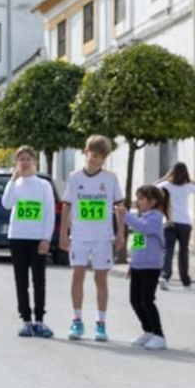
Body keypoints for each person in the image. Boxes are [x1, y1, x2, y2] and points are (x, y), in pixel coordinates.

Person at [60, 135, 125, 342]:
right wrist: (63, 234)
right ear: (86, 152)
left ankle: (101, 323)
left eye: (101, 157)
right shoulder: (74, 177)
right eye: (94, 155)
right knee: (77, 276)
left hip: (103, 238)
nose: (96, 160)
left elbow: (119, 207)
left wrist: (121, 233)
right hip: (79, 236)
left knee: (101, 279)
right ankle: (77, 320)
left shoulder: (110, 178)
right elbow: (67, 206)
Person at [2, 146, 56, 338]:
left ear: (35, 161)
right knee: (21, 281)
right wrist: (12, 181)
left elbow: (49, 213)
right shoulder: (15, 184)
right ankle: (26, 320)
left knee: (39, 280)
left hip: (37, 238)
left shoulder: (43, 185)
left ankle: (39, 320)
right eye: (21, 159)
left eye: (28, 159)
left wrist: (46, 238)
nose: (25, 162)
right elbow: (6, 204)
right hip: (17, 237)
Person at [124, 184, 168, 349]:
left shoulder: (156, 217)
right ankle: (148, 330)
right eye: (138, 198)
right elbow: (138, 244)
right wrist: (132, 264)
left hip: (151, 266)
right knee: (135, 300)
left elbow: (144, 228)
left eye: (142, 198)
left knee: (146, 300)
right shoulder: (141, 217)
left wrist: (125, 215)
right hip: (138, 266)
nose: (138, 201)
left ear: (153, 202)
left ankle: (159, 334)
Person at [157, 162, 195, 290]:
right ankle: (186, 281)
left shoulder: (166, 185)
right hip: (184, 223)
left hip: (169, 222)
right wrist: (190, 180)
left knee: (168, 250)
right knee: (183, 252)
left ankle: (165, 276)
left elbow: (152, 187)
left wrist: (165, 177)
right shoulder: (188, 186)